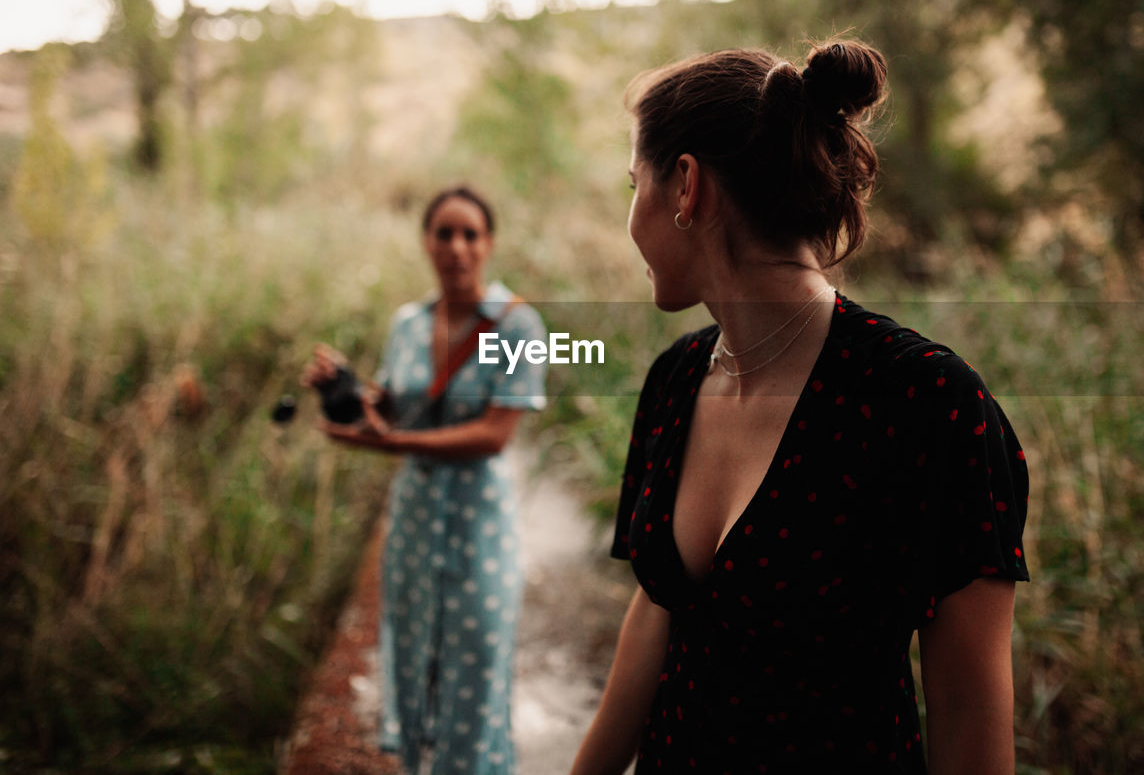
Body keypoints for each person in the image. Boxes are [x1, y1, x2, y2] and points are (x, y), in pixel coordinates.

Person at [571, 39, 1030, 774]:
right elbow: (659, 608)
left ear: (686, 186)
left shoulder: (926, 403)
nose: (632, 217)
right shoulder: (676, 379)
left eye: (635, 184)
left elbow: (969, 716)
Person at [303, 186, 547, 775]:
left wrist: (392, 444)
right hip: (414, 519)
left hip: (479, 522)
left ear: (489, 245)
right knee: (413, 661)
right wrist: (345, 393)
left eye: (470, 234)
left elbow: (494, 434)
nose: (456, 247)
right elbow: (393, 408)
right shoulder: (407, 325)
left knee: (477, 667)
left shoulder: (517, 325)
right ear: (426, 242)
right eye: (444, 233)